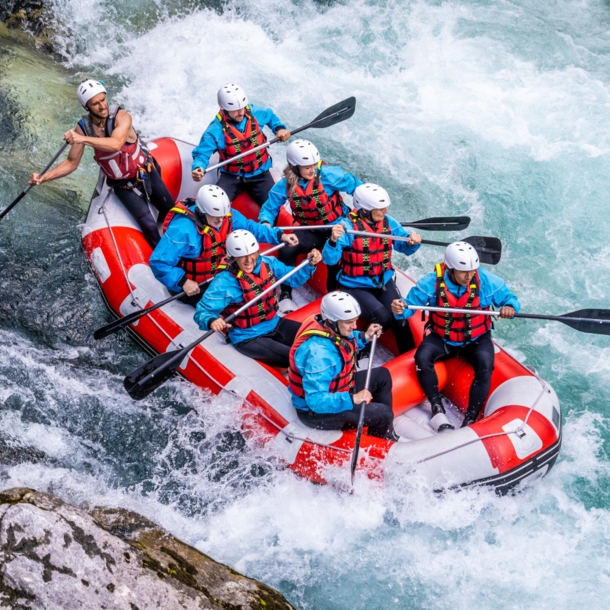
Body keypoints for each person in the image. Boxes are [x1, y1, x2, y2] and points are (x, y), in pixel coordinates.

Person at [391, 241, 520, 431]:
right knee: (422, 357)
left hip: (476, 339)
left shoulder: (485, 280)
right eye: (463, 272)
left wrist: (510, 308)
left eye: (471, 271)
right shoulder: (431, 282)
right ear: (450, 269)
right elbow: (408, 308)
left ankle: (470, 418)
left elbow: (510, 299)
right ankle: (437, 408)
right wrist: (399, 308)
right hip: (443, 338)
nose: (469, 276)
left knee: (485, 366)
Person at [29, 79, 173, 248]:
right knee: (148, 226)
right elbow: (71, 162)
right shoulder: (83, 128)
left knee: (171, 212)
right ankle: (165, 263)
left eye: (103, 100)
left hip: (146, 173)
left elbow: (116, 143)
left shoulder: (122, 116)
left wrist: (82, 139)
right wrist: (43, 178)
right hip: (122, 185)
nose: (102, 106)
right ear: (86, 107)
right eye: (95, 104)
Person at [149, 185, 299, 306]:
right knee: (235, 305)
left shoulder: (225, 216)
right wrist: (183, 282)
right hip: (191, 286)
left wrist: (280, 236)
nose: (221, 221)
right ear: (202, 211)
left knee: (253, 290)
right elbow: (158, 262)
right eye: (216, 217)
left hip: (217, 275)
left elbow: (251, 228)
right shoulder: (182, 230)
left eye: (223, 216)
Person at [194, 230, 322, 367]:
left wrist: (310, 264)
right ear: (233, 257)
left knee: (317, 338)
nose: (249, 260)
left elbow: (294, 279)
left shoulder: (268, 263)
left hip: (275, 323)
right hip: (248, 337)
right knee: (300, 358)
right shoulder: (224, 282)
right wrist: (212, 321)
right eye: (243, 256)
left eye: (251, 254)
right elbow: (203, 311)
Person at [322, 183, 422, 354]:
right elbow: (329, 259)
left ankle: (412, 358)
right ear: (365, 210)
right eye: (380, 209)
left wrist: (412, 241)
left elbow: (404, 247)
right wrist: (332, 240)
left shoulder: (388, 223)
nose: (386, 212)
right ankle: (360, 351)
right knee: (382, 316)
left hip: (382, 281)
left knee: (400, 317)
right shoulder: (347, 228)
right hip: (355, 285)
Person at [259, 139, 362, 300]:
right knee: (286, 250)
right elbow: (269, 208)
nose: (313, 169)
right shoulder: (285, 185)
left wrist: (363, 211)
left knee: (335, 260)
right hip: (312, 230)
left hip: (338, 227)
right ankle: (286, 293)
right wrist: (265, 223)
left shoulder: (328, 175)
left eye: (314, 165)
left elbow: (357, 187)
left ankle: (334, 298)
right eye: (308, 167)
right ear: (295, 167)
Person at [288, 291, 397, 440]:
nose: (354, 326)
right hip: (316, 413)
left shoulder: (329, 327)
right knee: (384, 414)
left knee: (382, 376)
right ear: (332, 320)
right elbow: (316, 402)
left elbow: (345, 343)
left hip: (337, 390)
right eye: (349, 322)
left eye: (355, 320)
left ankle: (384, 433)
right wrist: (353, 399)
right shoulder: (320, 355)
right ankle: (378, 445)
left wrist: (365, 336)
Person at [191, 84, 290, 206]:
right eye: (236, 110)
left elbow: (270, 116)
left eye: (243, 107)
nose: (241, 112)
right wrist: (198, 167)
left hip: (260, 174)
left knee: (275, 207)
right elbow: (201, 154)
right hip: (232, 176)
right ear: (224, 109)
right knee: (214, 204)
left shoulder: (254, 112)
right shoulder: (215, 130)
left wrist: (279, 128)